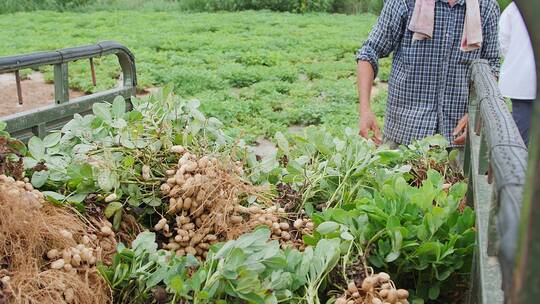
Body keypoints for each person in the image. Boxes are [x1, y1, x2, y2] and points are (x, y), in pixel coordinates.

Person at [356, 0, 500, 148]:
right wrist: (365, 110)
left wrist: (476, 114)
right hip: (404, 135)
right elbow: (369, 51)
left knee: (454, 172)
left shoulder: (485, 6)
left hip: (458, 139)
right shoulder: (404, 2)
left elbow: (491, 66)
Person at [498, 1, 536, 146]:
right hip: (523, 82)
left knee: (520, 137)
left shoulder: (516, 7)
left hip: (522, 80)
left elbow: (502, 40)